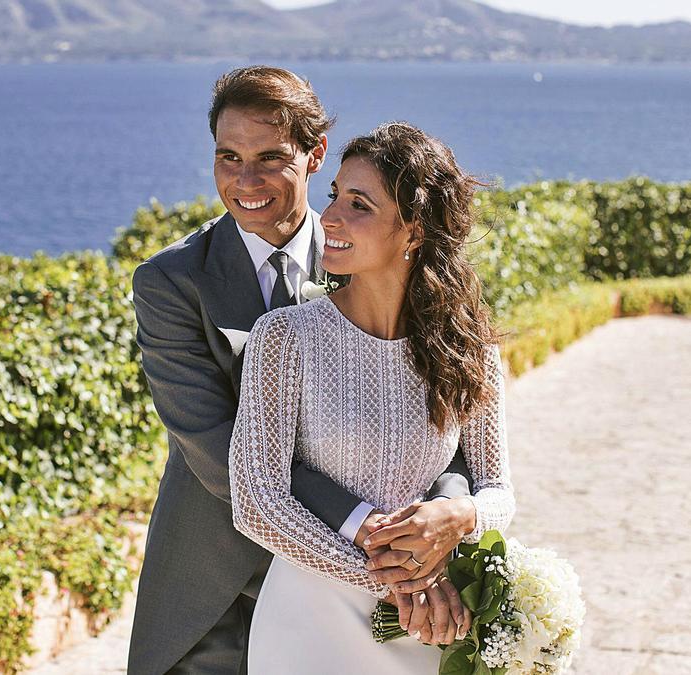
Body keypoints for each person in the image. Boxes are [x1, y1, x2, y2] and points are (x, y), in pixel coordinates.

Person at [128, 67, 480, 674]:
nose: (246, 181)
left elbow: (443, 420)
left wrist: (442, 520)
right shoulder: (170, 283)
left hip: (361, 591)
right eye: (228, 158)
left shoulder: (369, 246)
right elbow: (219, 452)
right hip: (219, 589)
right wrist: (376, 545)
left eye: (270, 157)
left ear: (314, 156)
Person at [229, 121, 516, 673]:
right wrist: (397, 582)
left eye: (359, 204)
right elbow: (257, 501)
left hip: (424, 627)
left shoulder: (469, 348)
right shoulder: (285, 338)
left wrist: (460, 516)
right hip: (313, 621)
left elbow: (499, 492)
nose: (330, 216)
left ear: (413, 230)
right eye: (334, 195)